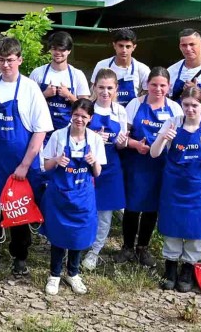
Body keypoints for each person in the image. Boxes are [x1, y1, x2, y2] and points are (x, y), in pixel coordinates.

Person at [0, 36, 53, 275]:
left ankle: (20, 255)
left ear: (20, 60)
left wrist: (25, 165)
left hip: (20, 161)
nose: (5, 65)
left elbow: (40, 131)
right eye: (1, 60)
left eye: (10, 60)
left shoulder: (30, 89)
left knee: (20, 208)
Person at [151, 85, 201, 292]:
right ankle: (170, 268)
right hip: (174, 186)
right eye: (186, 105)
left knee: (196, 229)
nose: (190, 109)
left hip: (199, 188)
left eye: (194, 105)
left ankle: (188, 269)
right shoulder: (172, 123)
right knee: (172, 227)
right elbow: (154, 154)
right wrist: (163, 138)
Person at [41, 99, 106, 295]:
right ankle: (54, 275)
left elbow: (98, 172)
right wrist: (57, 160)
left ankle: (73, 273)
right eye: (76, 115)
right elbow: (45, 165)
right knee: (58, 235)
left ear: (90, 119)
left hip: (83, 196)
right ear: (71, 114)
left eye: (84, 116)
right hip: (59, 194)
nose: (79, 119)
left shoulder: (95, 139)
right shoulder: (59, 136)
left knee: (79, 235)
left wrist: (93, 162)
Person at [119, 67, 182, 266]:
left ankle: (143, 248)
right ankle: (127, 246)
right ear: (147, 85)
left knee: (151, 208)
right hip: (136, 164)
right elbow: (123, 137)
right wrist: (135, 145)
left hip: (161, 166)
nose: (158, 89)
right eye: (154, 84)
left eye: (163, 85)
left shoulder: (175, 109)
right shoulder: (135, 105)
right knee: (131, 206)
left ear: (169, 87)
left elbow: (181, 138)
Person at [82, 69, 129, 271]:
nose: (105, 92)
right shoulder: (86, 109)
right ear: (94, 88)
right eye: (101, 87)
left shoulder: (120, 111)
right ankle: (78, 243)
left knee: (105, 213)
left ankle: (95, 251)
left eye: (110, 88)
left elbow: (122, 145)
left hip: (111, 168)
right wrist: (92, 140)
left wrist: (121, 142)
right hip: (87, 167)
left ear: (116, 89)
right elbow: (74, 138)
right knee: (85, 208)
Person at [29, 31, 89, 133]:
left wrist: (69, 95)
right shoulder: (38, 73)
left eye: (62, 49)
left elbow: (86, 108)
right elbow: (27, 103)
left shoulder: (77, 75)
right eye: (54, 49)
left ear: (69, 50)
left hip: (68, 130)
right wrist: (44, 95)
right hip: (41, 129)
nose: (58, 53)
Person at [90, 28, 150, 108]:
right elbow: (93, 92)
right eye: (121, 46)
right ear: (114, 45)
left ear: (134, 47)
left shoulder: (142, 69)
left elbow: (148, 97)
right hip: (106, 111)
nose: (124, 50)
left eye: (128, 47)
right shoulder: (102, 65)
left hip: (131, 114)